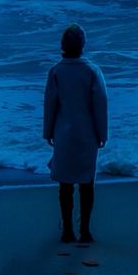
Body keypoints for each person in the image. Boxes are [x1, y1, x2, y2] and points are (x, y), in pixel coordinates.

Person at [43, 23, 108, 243]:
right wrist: (102, 133)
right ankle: (86, 230)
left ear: (62, 45)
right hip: (87, 134)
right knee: (87, 183)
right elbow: (100, 104)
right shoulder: (91, 70)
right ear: (83, 45)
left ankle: (67, 230)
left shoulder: (57, 71)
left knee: (65, 184)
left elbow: (50, 104)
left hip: (63, 133)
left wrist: (47, 131)